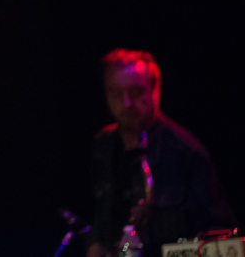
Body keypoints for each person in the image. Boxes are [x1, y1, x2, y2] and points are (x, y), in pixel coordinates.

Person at [86, 49, 236, 257]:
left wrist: (155, 222)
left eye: (136, 92)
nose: (126, 103)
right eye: (115, 93)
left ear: (156, 90)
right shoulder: (103, 144)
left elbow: (217, 226)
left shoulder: (186, 151)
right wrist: (95, 242)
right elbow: (101, 211)